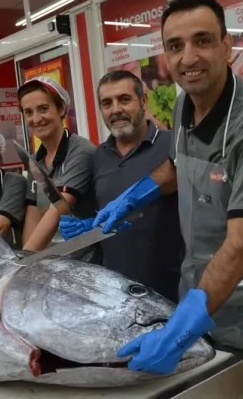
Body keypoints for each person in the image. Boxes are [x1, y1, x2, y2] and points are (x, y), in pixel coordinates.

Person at [66, 0, 243, 398]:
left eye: (203, 40)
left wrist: (179, 332)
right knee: (217, 389)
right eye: (176, 46)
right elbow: (177, 167)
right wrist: (131, 198)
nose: (189, 57)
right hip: (199, 288)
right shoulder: (183, 105)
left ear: (226, 46)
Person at [59, 70, 185, 302]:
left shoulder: (172, 144)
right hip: (115, 294)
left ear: (144, 101)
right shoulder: (99, 156)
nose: (115, 109)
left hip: (172, 292)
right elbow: (105, 214)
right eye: (107, 103)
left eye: (124, 99)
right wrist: (87, 228)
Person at [17, 76, 96, 252]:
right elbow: (33, 214)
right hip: (49, 259)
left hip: (82, 260)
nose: (36, 119)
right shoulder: (35, 160)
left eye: (43, 109)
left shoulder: (81, 152)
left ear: (61, 109)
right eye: (28, 112)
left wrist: (26, 258)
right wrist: (26, 257)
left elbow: (57, 209)